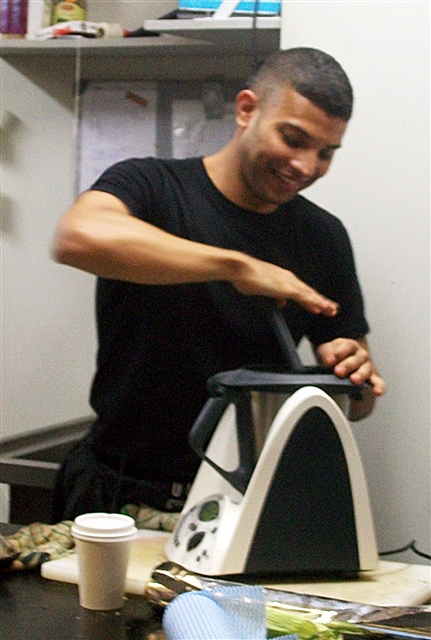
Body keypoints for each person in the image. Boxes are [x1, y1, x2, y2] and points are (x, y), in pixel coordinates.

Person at [51, 47, 386, 524]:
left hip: (243, 502)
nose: (305, 165)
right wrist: (237, 268)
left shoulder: (322, 237)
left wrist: (352, 376)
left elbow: (359, 405)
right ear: (246, 109)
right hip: (117, 494)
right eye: (293, 139)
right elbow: (76, 237)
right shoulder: (152, 186)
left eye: (326, 153)